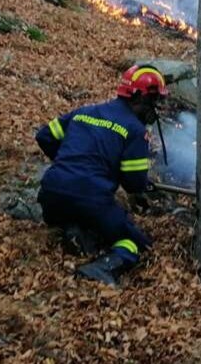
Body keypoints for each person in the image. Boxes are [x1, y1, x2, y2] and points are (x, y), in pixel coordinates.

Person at [33, 65, 167, 286]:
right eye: (154, 101)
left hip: (51, 196)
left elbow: (44, 136)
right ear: (139, 97)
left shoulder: (84, 112)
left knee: (85, 216)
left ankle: (75, 230)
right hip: (91, 198)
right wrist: (142, 185)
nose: (155, 109)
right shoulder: (135, 130)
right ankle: (101, 269)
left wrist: (67, 163)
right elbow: (133, 183)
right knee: (137, 242)